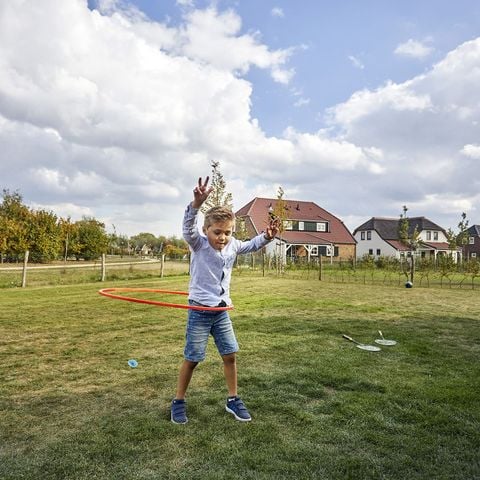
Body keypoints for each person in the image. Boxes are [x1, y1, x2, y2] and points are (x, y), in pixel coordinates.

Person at [171, 176, 279, 424]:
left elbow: (251, 245)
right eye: (217, 232)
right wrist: (196, 205)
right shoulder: (198, 244)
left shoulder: (232, 245)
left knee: (230, 355)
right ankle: (178, 401)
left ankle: (233, 399)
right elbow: (187, 229)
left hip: (221, 311)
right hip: (199, 310)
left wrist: (268, 237)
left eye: (227, 233)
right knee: (193, 358)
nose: (222, 237)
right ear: (206, 230)